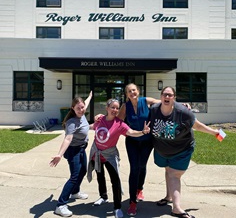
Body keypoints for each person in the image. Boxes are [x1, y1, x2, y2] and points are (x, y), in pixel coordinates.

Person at [149, 86, 219, 218]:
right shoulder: (154, 110)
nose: (167, 97)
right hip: (162, 150)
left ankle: (176, 208)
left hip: (181, 149)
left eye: (170, 95)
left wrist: (214, 132)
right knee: (168, 170)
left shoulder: (183, 112)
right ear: (161, 96)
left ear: (174, 98)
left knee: (174, 174)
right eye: (165, 94)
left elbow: (197, 125)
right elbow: (141, 102)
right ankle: (168, 197)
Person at [87, 98, 150, 218]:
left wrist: (142, 132)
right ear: (107, 108)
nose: (115, 110)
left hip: (110, 156)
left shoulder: (119, 124)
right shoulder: (100, 120)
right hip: (97, 154)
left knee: (115, 181)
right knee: (100, 177)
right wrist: (77, 126)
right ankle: (103, 197)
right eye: (112, 107)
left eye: (117, 108)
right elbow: (91, 126)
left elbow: (131, 132)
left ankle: (117, 207)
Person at [116, 83, 161, 216]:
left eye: (134, 90)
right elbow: (118, 121)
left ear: (138, 91)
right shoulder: (125, 106)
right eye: (129, 91)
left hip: (147, 141)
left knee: (142, 165)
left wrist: (182, 105)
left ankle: (139, 188)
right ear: (127, 94)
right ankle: (132, 202)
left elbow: (165, 102)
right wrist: (101, 119)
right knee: (134, 168)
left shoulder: (146, 101)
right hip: (132, 141)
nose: (132, 93)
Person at [49, 92, 92, 217]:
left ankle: (75, 192)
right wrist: (59, 155)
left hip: (81, 149)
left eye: (82, 107)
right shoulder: (71, 122)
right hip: (73, 151)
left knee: (83, 171)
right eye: (78, 108)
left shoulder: (82, 114)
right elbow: (68, 139)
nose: (81, 109)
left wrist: (89, 97)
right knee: (74, 176)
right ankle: (60, 205)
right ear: (73, 108)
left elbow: (86, 103)